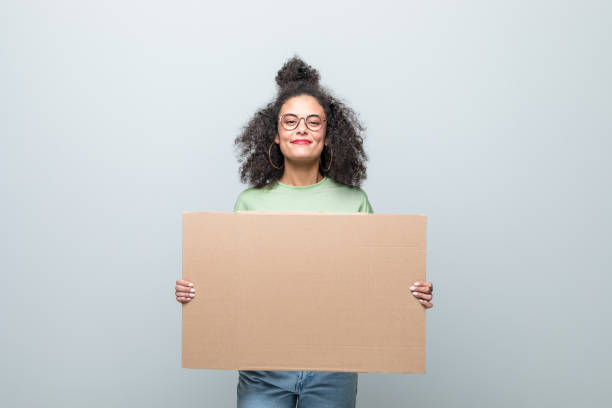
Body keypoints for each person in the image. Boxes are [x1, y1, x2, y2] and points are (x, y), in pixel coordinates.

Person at [175, 56, 434, 408]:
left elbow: (374, 283)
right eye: (290, 121)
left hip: (333, 370)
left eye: (314, 122)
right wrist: (197, 293)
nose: (301, 129)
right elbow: (233, 287)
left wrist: (410, 294)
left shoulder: (354, 202)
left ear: (328, 137)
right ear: (276, 135)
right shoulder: (249, 203)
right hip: (262, 368)